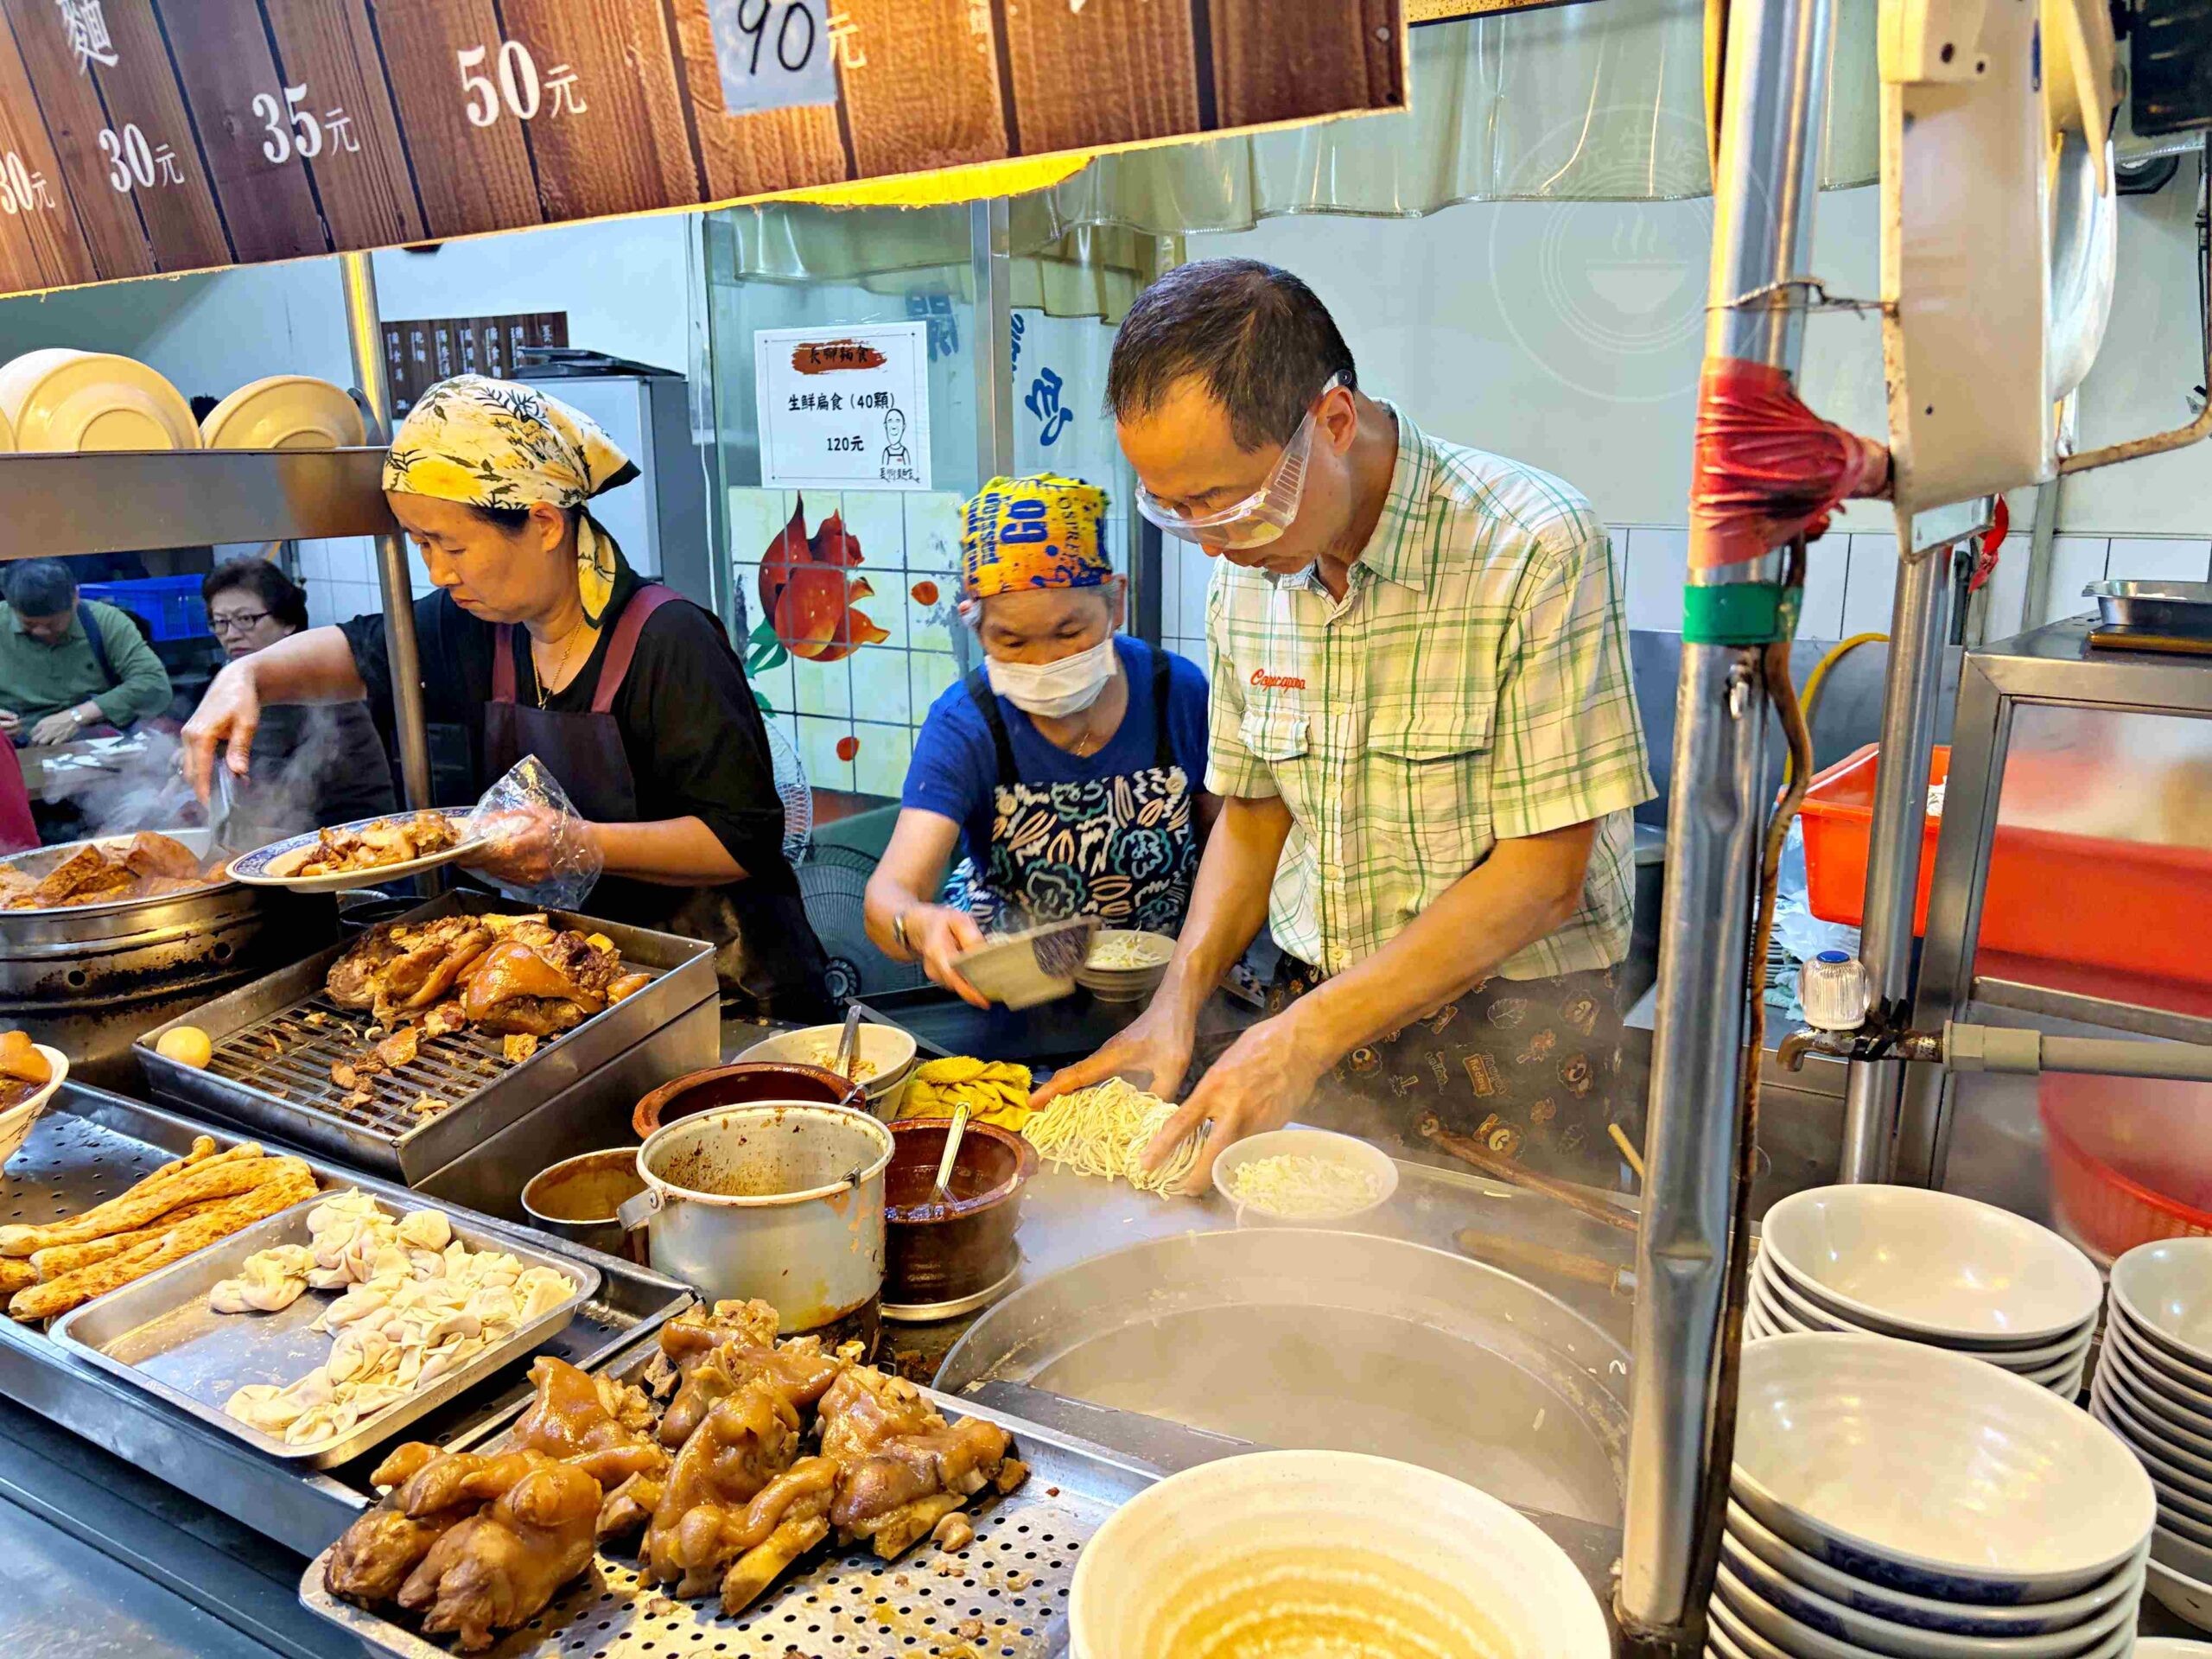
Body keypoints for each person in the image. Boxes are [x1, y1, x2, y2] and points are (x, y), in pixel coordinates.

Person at [1036, 259, 1655, 1189]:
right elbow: (1251, 817)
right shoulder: (1246, 571)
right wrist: (1177, 1000)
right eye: (1176, 509)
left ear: (1331, 422)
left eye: (1227, 501)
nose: (1209, 541)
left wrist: (1303, 1037)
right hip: (1311, 998)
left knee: (1499, 1287)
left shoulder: (1530, 547)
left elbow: (1541, 881)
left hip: (1516, 1020)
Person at [183, 375, 831, 1020]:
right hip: (582, 986)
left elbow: (741, 840)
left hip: (727, 991)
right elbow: (360, 651)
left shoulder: (670, 638)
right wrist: (248, 678)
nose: (437, 571)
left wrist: (580, 845)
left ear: (544, 524)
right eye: (422, 545)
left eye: (452, 546)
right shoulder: (476, 624)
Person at [862, 474, 1214, 1007]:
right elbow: (887, 896)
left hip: (1164, 993)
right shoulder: (967, 723)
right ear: (976, 629)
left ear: (1115, 603)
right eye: (1012, 641)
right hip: (1011, 1000)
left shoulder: (1177, 694)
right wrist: (916, 922)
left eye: (1070, 633)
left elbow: (1230, 847)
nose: (1045, 661)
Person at [198, 556, 397, 838]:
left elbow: (262, 790)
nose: (231, 634)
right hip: (298, 835)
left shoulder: (300, 686)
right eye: (221, 623)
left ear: (288, 622)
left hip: (353, 845)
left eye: (245, 619)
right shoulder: (243, 682)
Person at [0, 558, 172, 747]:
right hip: (14, 743)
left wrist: (78, 716)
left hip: (93, 737)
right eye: (29, 625)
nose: (41, 631)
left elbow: (153, 683)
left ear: (75, 598)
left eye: (52, 625)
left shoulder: (105, 622)